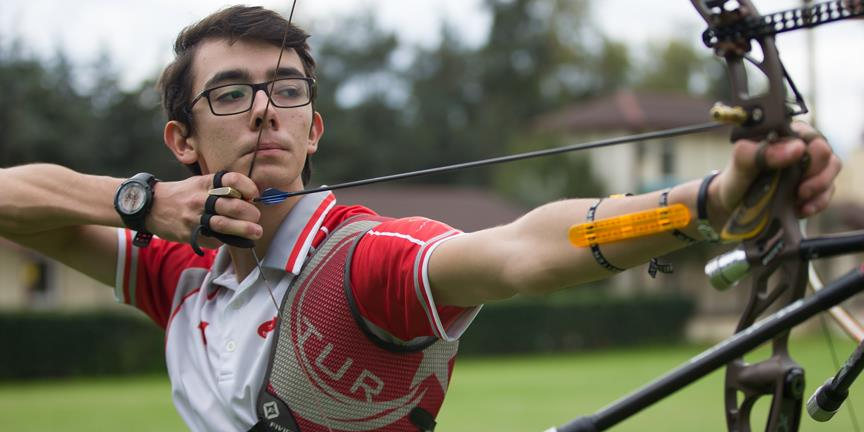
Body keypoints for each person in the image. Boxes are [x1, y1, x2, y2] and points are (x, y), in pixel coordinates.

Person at [0, 5, 841, 432]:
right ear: (181, 138)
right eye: (232, 93)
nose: (265, 112)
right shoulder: (177, 271)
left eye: (287, 91)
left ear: (313, 127)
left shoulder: (364, 263)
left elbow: (525, 251)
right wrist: (143, 204)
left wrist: (710, 202)